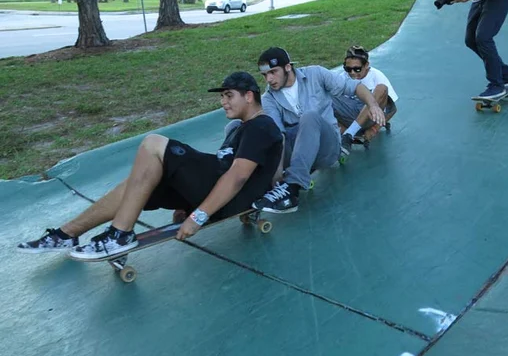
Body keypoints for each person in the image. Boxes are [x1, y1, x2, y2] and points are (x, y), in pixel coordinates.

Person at [17, 72, 283, 259]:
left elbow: (237, 176)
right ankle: (67, 234)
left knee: (154, 143)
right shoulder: (240, 129)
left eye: (229, 95)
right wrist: (186, 200)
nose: (223, 102)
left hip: (232, 199)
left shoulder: (262, 125)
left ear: (249, 96)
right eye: (222, 96)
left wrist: (198, 215)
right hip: (212, 188)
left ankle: (119, 235)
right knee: (136, 186)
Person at [253, 47, 385, 214]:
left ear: (288, 67)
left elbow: (354, 86)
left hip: (327, 149)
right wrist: (277, 173)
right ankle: (253, 183)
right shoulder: (269, 98)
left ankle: (292, 188)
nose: (269, 79)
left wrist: (373, 105)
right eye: (265, 75)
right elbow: (279, 137)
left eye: (273, 72)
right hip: (297, 152)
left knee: (309, 117)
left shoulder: (315, 74)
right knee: (248, 127)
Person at [333, 45, 399, 158]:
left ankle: (350, 133)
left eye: (357, 69)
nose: (352, 73)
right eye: (348, 69)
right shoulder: (342, 77)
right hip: (349, 118)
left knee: (382, 88)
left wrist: (374, 129)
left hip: (370, 118)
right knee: (326, 93)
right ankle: (347, 135)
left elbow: (392, 109)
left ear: (366, 65)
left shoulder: (376, 75)